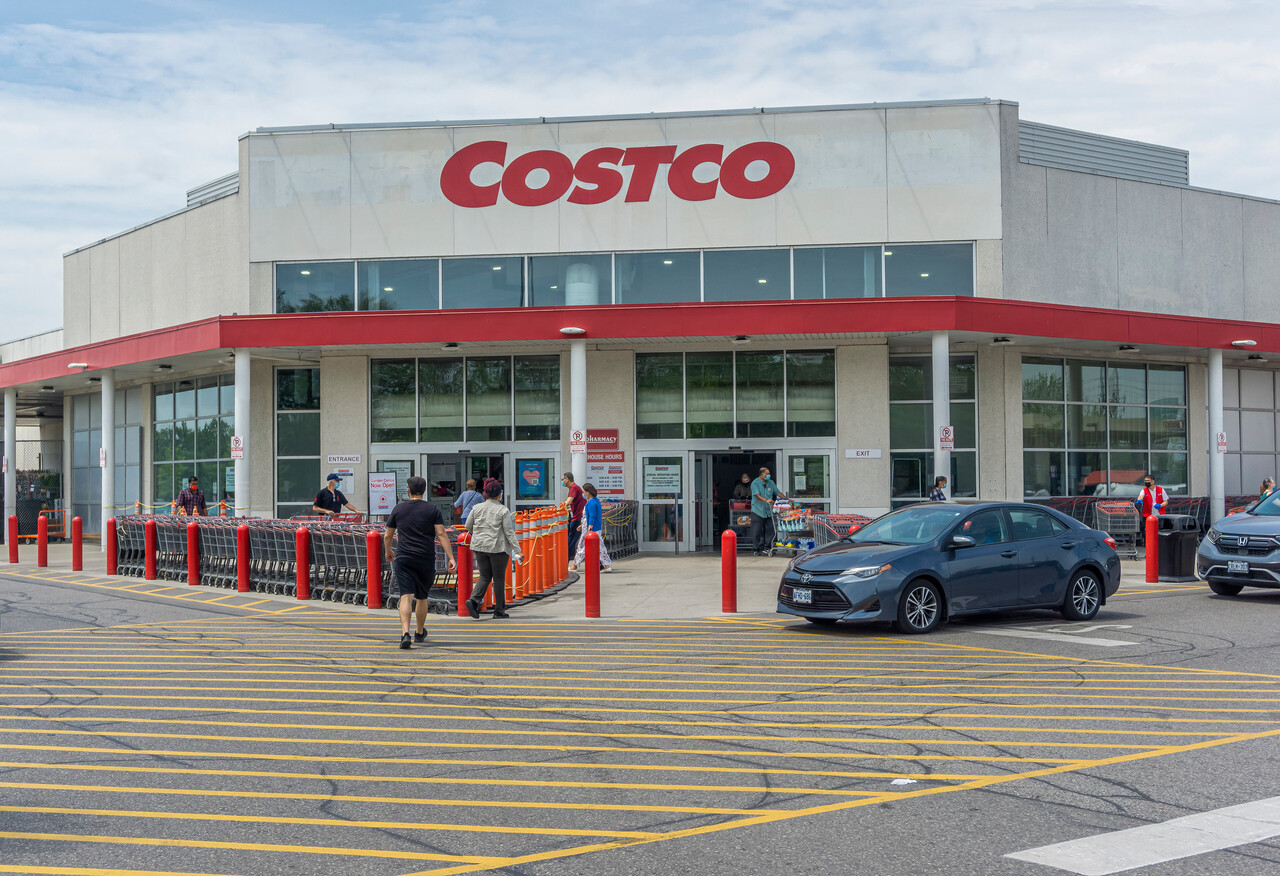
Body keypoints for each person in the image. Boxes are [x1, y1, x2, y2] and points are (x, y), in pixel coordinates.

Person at [384, 475, 457, 649]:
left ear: (408, 491)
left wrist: (388, 551)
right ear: (424, 491)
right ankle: (419, 632)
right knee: (422, 597)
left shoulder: (398, 509)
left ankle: (405, 633)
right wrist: (451, 557)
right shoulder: (432, 509)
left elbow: (388, 535)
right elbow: (441, 534)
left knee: (406, 596)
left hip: (404, 557)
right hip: (425, 557)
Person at [464, 478, 523, 620]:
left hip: (479, 546)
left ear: (485, 493)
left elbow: (467, 525)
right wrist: (518, 550)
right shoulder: (503, 510)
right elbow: (509, 532)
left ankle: (473, 600)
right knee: (498, 578)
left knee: (485, 576)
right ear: (499, 494)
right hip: (498, 548)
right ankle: (499, 611)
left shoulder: (477, 508)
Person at [569, 482, 612, 573]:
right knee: (600, 547)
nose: (583, 494)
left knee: (582, 547)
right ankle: (606, 565)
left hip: (591, 529)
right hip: (594, 527)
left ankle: (575, 565)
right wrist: (582, 525)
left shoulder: (591, 503)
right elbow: (589, 517)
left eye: (584, 492)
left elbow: (592, 516)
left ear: (588, 492)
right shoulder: (595, 501)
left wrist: (590, 527)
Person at [749, 466, 786, 556]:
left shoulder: (771, 482)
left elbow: (777, 492)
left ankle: (767, 547)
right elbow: (757, 495)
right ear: (762, 474)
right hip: (757, 510)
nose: (769, 475)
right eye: (768, 473)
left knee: (771, 529)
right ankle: (756, 549)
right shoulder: (755, 483)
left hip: (769, 511)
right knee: (757, 530)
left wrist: (786, 500)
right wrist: (766, 500)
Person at [561, 471, 586, 556]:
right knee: (573, 539)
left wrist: (559, 508)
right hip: (578, 516)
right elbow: (576, 504)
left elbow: (569, 501)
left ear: (567, 479)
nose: (562, 481)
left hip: (577, 518)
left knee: (571, 540)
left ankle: (567, 557)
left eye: (562, 479)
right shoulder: (575, 488)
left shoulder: (574, 488)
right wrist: (568, 510)